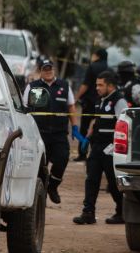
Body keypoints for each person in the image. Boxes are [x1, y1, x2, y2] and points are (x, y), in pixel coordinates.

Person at [23, 60, 87, 204]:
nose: (48, 72)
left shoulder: (64, 86)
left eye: (50, 69)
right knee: (40, 166)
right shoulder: (32, 87)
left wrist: (75, 127)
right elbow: (25, 108)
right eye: (45, 69)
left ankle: (52, 186)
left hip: (59, 134)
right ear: (40, 71)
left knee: (62, 159)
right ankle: (40, 195)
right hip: (39, 135)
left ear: (54, 70)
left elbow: (71, 107)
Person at [73, 70, 128, 225]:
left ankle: (122, 212)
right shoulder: (100, 100)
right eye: (96, 84)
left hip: (111, 147)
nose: (97, 88)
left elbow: (124, 124)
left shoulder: (119, 101)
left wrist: (117, 146)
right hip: (97, 146)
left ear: (110, 86)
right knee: (91, 179)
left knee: (113, 182)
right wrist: (87, 138)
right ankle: (88, 213)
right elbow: (96, 121)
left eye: (100, 85)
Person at [73, 48, 109, 161]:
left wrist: (76, 97)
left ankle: (82, 154)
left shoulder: (92, 66)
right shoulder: (109, 69)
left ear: (97, 56)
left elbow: (85, 85)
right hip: (103, 103)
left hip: (89, 102)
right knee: (98, 128)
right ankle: (95, 154)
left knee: (84, 128)